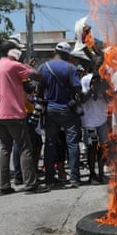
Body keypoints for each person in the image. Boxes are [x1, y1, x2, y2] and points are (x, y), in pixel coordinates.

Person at [0, 39, 50, 195]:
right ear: (12, 52)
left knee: (5, 148)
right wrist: (23, 63)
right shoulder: (14, 65)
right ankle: (31, 184)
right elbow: (37, 76)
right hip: (14, 113)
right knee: (26, 148)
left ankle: (4, 186)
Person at [39, 42, 82, 188]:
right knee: (72, 144)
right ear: (67, 55)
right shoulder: (71, 68)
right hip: (68, 110)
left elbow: (39, 88)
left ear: (54, 51)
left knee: (50, 143)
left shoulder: (43, 67)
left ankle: (49, 177)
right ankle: (75, 178)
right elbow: (77, 88)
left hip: (51, 109)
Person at [80, 62, 111, 184]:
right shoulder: (85, 80)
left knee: (102, 148)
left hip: (102, 119)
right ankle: (92, 174)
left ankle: (101, 173)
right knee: (92, 147)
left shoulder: (106, 81)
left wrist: (104, 90)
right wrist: (92, 89)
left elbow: (110, 99)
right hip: (89, 121)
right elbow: (82, 98)